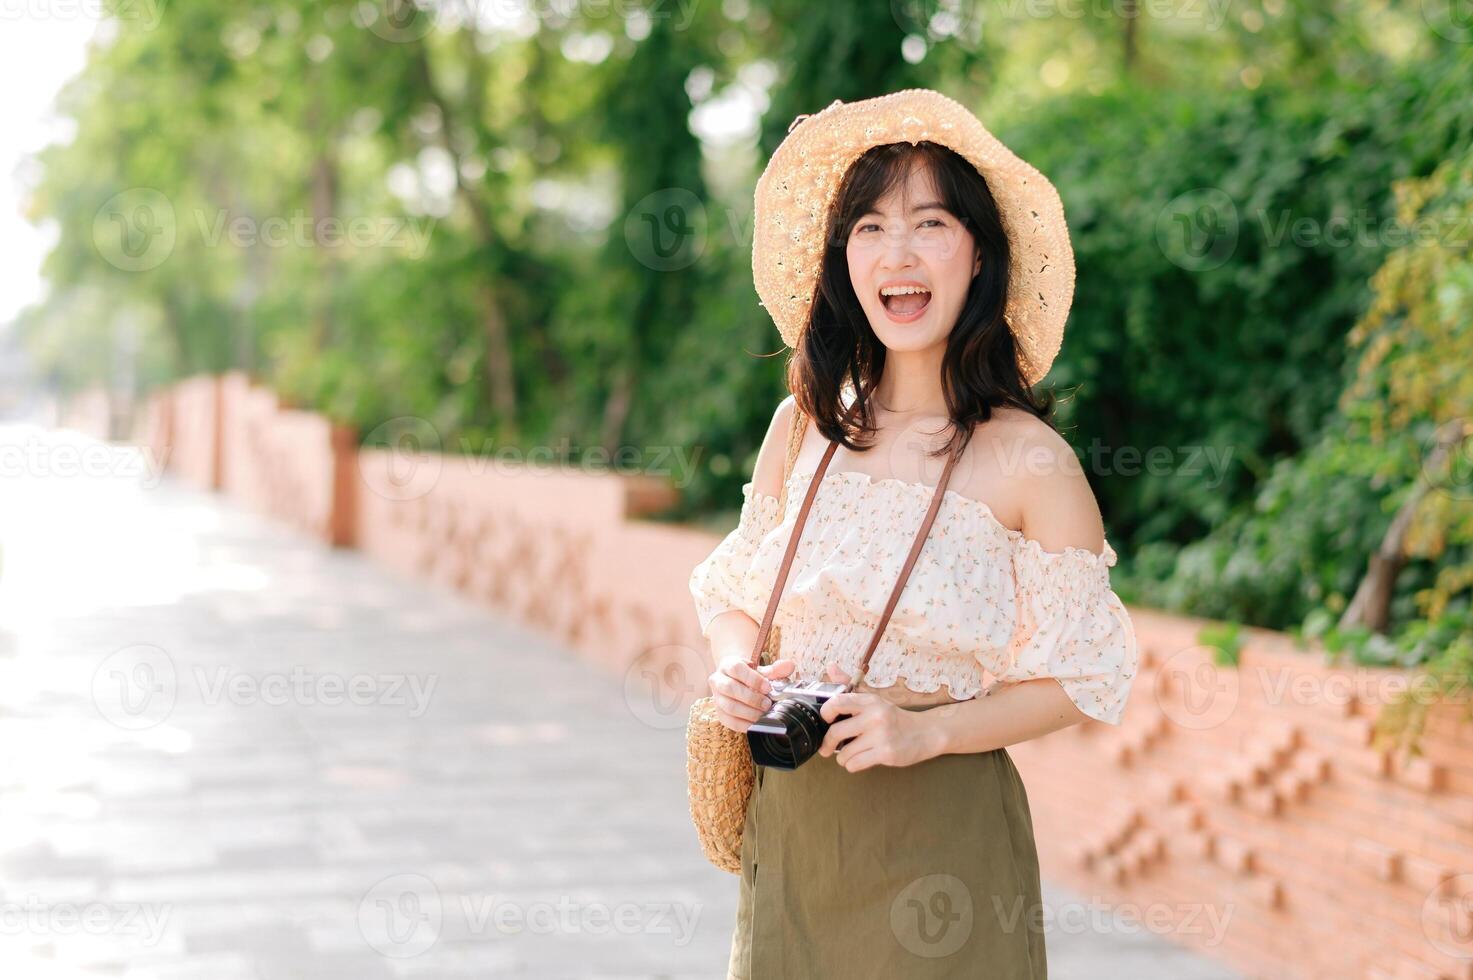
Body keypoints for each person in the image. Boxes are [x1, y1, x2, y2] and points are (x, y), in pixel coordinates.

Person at [687, 90, 1139, 979]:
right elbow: (737, 597)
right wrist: (735, 668)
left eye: (929, 222)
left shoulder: (1031, 462)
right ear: (842, 261)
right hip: (794, 830)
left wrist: (926, 733)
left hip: (945, 846)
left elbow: (1080, 679)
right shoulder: (802, 427)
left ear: (978, 256)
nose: (898, 253)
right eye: (868, 227)